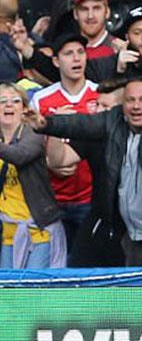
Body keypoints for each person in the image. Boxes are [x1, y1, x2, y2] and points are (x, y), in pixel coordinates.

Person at [28, 79, 142, 267]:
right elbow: (80, 123)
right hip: (129, 239)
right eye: (130, 100)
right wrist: (46, 124)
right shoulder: (113, 124)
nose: (136, 106)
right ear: (122, 106)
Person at [31, 34, 99, 258]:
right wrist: (52, 163)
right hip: (52, 199)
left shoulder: (99, 95)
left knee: (85, 265)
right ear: (56, 61)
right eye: (68, 54)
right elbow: (30, 145)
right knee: (55, 267)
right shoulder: (41, 100)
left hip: (89, 199)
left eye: (80, 52)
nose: (76, 59)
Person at [0, 82, 65, 269]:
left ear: (24, 108)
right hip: (7, 232)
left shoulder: (34, 133)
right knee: (9, 292)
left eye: (15, 101)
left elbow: (20, 156)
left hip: (38, 229)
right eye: (2, 101)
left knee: (33, 288)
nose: (9, 105)